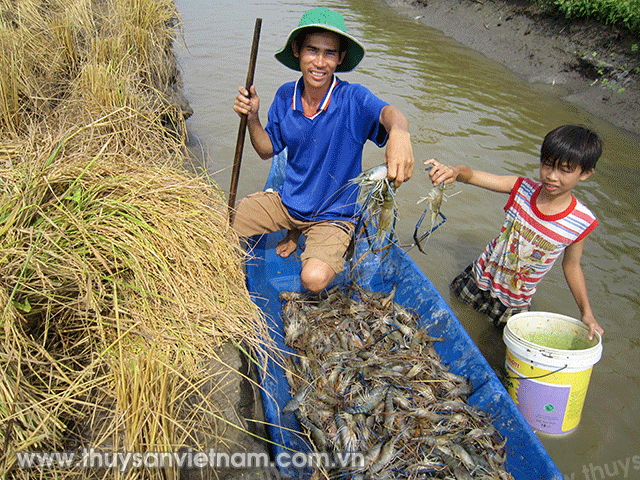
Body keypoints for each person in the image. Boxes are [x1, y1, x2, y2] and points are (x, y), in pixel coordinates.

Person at [232, 7, 414, 293]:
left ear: (340, 58)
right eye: (312, 50)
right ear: (297, 51)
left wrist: (400, 133)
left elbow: (390, 114)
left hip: (333, 215)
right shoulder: (284, 96)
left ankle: (323, 236)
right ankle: (296, 228)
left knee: (313, 279)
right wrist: (252, 117)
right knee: (224, 221)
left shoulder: (353, 98)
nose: (319, 62)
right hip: (288, 203)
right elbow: (267, 150)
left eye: (330, 53)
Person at [426, 125, 604, 340]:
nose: (552, 176)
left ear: (585, 173)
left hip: (515, 301)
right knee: (450, 317)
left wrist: (587, 313)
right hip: (479, 278)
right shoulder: (521, 189)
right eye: (547, 165)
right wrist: (454, 172)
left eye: (565, 170)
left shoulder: (581, 222)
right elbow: (471, 175)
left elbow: (572, 265)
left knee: (495, 344)